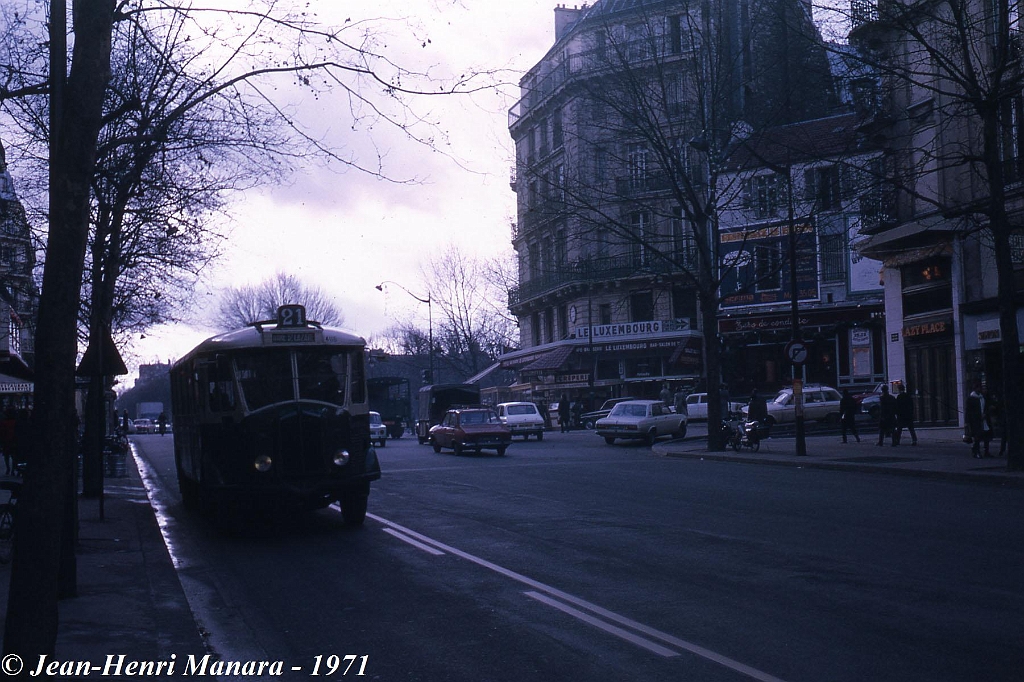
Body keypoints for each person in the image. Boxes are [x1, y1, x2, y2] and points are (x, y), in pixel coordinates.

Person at [965, 383, 991, 458]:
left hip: (984, 419)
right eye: (980, 388)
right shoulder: (971, 398)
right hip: (975, 420)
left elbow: (986, 407)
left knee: (986, 435)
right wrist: (967, 422)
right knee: (977, 436)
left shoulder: (983, 397)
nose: (981, 390)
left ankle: (986, 451)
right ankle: (977, 451)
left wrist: (985, 414)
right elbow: (968, 411)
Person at [986, 391, 1006, 457]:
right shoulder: (1001, 401)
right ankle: (1002, 450)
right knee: (1004, 436)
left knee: (1004, 436)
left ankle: (1002, 450)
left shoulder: (1000, 401)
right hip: (1004, 419)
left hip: (1003, 419)